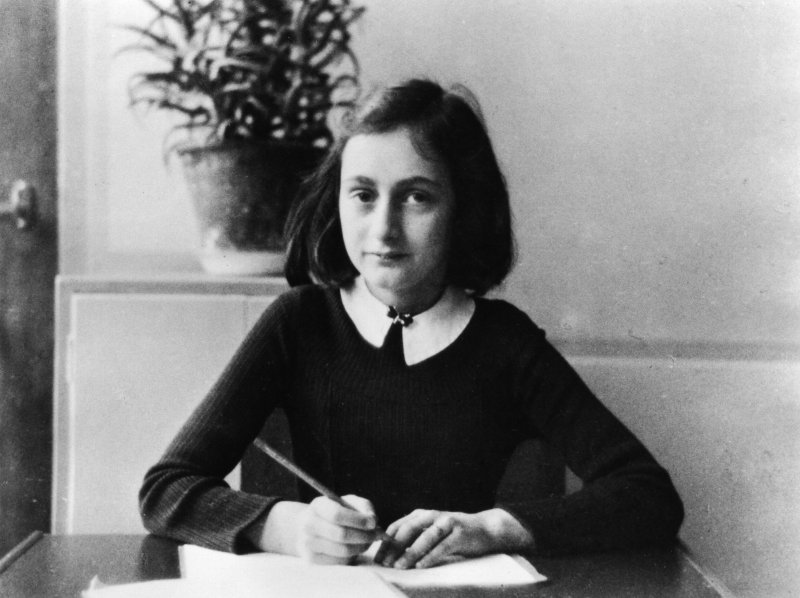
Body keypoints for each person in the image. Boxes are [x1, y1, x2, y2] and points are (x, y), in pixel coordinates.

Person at [139, 79, 684, 568]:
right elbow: (165, 489)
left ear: (463, 209)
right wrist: (287, 526)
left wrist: (494, 528)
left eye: (417, 197)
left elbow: (648, 495)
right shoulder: (299, 322)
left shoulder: (504, 342)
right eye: (363, 195)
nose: (384, 228)